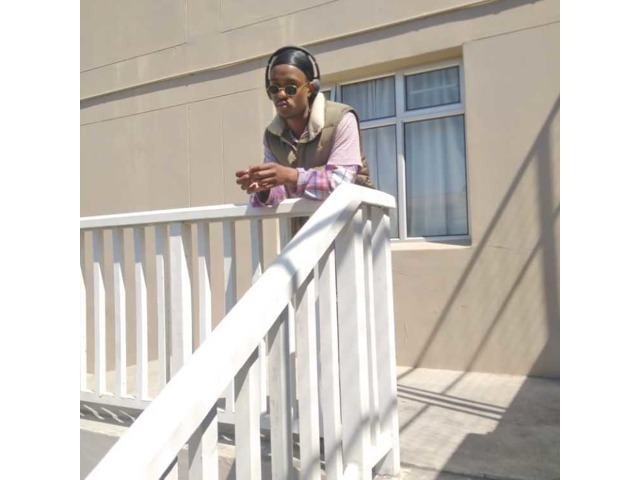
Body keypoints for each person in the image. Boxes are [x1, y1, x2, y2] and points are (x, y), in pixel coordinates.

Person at [235, 45, 373, 208]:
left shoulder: (342, 119)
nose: (281, 94)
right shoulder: (272, 136)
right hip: (307, 223)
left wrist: (291, 176)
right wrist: (264, 188)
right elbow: (280, 194)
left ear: (310, 89)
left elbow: (341, 184)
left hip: (355, 221)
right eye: (274, 88)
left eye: (291, 88)